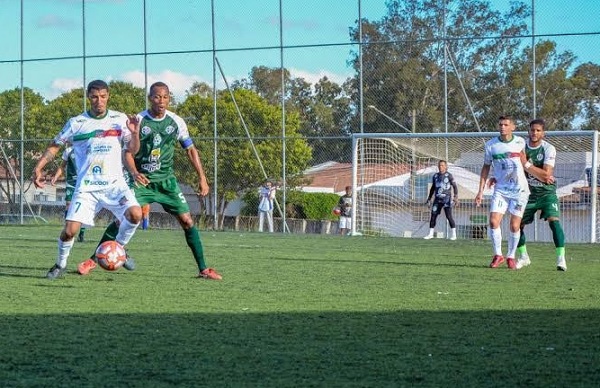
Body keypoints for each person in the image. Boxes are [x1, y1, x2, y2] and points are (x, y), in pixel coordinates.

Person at [78, 81, 222, 280]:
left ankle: (204, 269)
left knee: (187, 221)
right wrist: (135, 172)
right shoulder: (138, 121)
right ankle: (94, 260)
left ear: (169, 99)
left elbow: (190, 149)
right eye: (156, 97)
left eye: (165, 97)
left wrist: (203, 178)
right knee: (124, 219)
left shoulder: (177, 122)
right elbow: (128, 153)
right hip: (141, 181)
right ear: (149, 98)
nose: (161, 101)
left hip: (166, 181)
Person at [32, 79, 142, 280]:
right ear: (88, 97)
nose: (98, 101)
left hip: (115, 185)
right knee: (69, 231)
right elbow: (55, 146)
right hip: (87, 187)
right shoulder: (77, 123)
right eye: (94, 97)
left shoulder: (120, 119)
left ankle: (118, 248)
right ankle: (60, 264)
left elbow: (132, 150)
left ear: (108, 96)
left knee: (135, 214)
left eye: (103, 96)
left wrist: (135, 134)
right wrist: (38, 167)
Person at [475, 115, 534, 270]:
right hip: (501, 189)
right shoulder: (491, 145)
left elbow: (523, 163)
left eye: (506, 125)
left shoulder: (520, 142)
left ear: (512, 127)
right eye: (500, 124)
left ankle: (511, 256)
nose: (502, 127)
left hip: (519, 190)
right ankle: (498, 255)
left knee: (515, 226)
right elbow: (486, 167)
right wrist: (480, 191)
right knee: (494, 221)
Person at [516, 119, 566, 271]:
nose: (534, 133)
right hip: (528, 193)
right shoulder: (521, 147)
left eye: (538, 130)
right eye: (532, 130)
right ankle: (524, 257)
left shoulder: (549, 148)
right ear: (528, 131)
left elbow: (546, 176)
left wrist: (526, 164)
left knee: (554, 221)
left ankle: (561, 259)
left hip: (546, 192)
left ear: (543, 133)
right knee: (516, 225)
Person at [51, 145, 86, 242]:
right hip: (71, 182)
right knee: (68, 205)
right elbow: (62, 166)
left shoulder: (87, 148)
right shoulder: (68, 151)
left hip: (84, 183)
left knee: (83, 207)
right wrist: (56, 177)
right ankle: (67, 230)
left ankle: (82, 233)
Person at [423, 160, 459, 240]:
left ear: (446, 166)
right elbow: (432, 188)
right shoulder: (435, 176)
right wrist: (429, 198)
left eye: (442, 165)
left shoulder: (449, 175)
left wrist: (455, 197)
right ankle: (430, 234)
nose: (440, 167)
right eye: (439, 165)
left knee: (449, 216)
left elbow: (455, 186)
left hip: (446, 199)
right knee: (433, 216)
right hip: (437, 200)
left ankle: (454, 235)